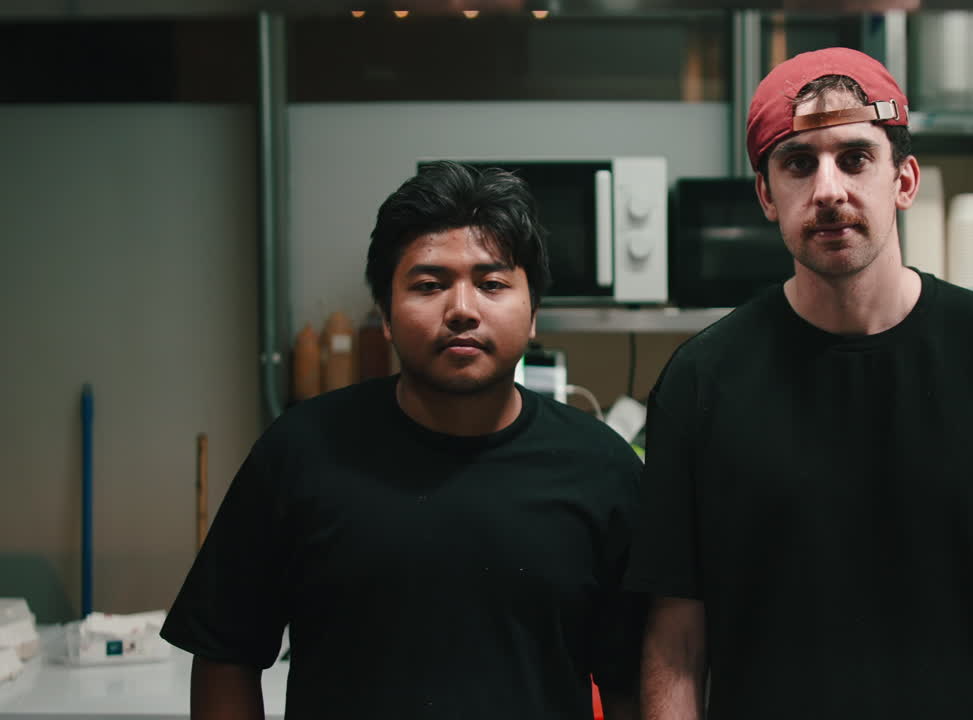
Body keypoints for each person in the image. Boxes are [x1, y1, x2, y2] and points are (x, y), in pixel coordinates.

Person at [627, 48, 973, 720]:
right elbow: (677, 639)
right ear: (767, 196)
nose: (829, 189)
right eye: (799, 164)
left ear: (905, 180)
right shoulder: (700, 384)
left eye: (855, 158)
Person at [162, 160, 644, 719]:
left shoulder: (603, 470)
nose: (462, 310)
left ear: (534, 312)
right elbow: (225, 655)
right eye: (429, 285)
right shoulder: (300, 452)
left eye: (492, 284)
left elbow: (628, 682)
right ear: (386, 316)